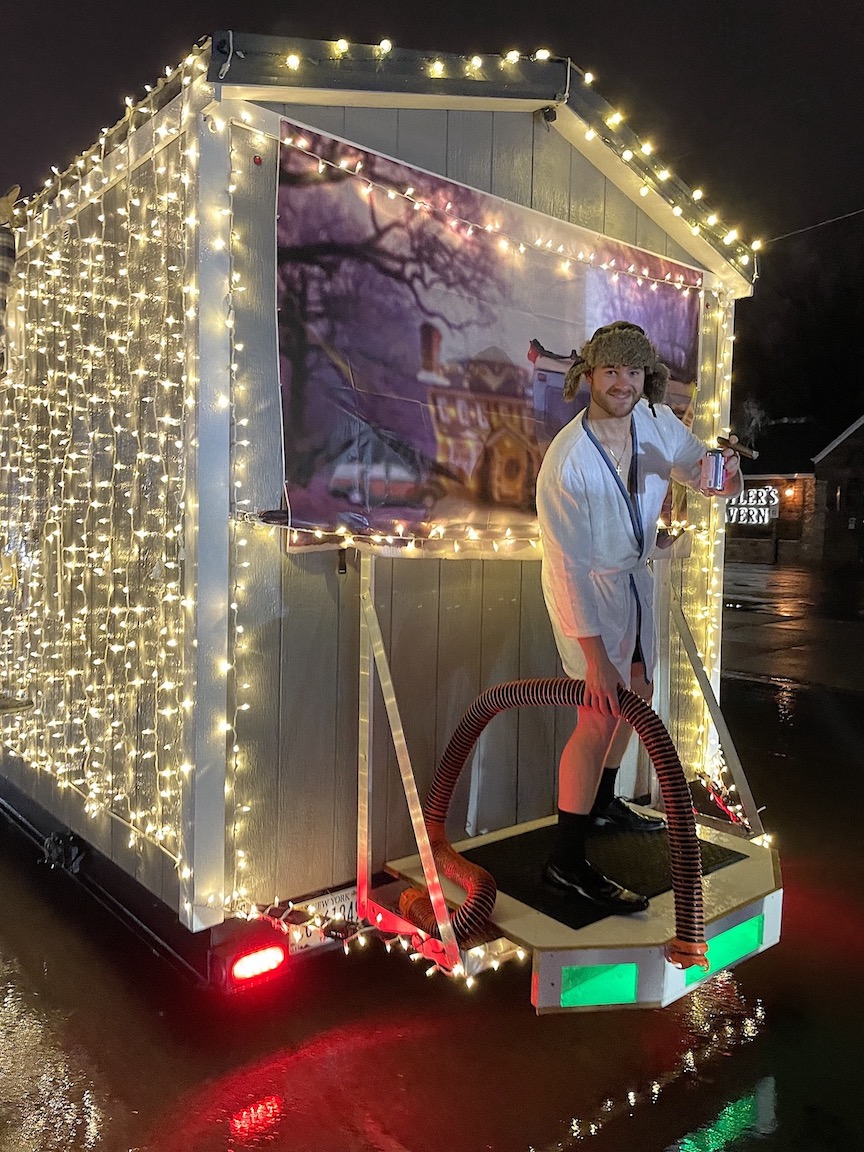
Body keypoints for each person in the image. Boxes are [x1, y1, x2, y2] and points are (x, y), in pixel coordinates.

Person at [535, 321, 741, 915]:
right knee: (599, 712)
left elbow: (703, 472)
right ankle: (565, 861)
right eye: (611, 371)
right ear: (589, 375)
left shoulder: (655, 420)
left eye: (633, 371)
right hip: (588, 592)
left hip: (633, 580)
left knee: (639, 694)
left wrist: (724, 472)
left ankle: (602, 801)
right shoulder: (567, 460)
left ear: (645, 375)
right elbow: (568, 567)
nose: (622, 383)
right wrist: (595, 657)